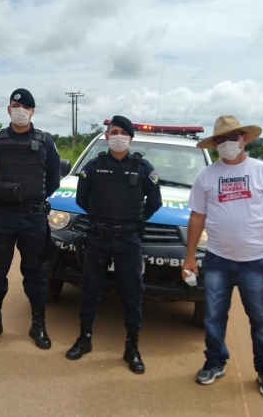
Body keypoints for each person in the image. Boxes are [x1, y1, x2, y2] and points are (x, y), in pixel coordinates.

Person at [182, 115, 263, 398]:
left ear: (244, 138)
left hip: (256, 262)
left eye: (233, 137)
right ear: (215, 144)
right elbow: (197, 217)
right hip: (217, 260)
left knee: (261, 319)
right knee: (214, 316)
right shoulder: (206, 176)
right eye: (221, 139)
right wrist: (190, 256)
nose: (228, 143)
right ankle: (215, 360)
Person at [66, 115, 162, 374]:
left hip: (128, 240)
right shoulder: (93, 167)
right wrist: (102, 218)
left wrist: (132, 220)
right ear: (107, 136)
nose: (118, 136)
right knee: (90, 290)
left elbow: (154, 202)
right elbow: (82, 199)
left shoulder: (143, 168)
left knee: (132, 295)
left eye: (123, 132)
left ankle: (132, 347)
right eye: (113, 131)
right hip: (97, 238)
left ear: (130, 137)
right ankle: (84, 339)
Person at [0, 88, 60, 349]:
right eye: (15, 105)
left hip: (33, 217)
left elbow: (54, 180)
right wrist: (5, 198)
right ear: (8, 109)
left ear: (33, 111)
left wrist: (31, 200)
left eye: (25, 107)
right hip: (2, 215)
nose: (20, 110)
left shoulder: (45, 142)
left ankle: (38, 326)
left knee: (35, 273)